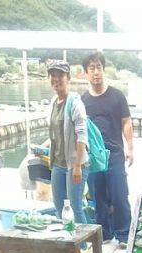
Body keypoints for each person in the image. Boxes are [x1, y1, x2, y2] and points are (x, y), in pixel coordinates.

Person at [82, 51, 133, 245]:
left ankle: (123, 234)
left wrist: (130, 148)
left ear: (103, 70)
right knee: (98, 196)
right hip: (93, 157)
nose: (96, 72)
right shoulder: (83, 101)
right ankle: (103, 234)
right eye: (92, 68)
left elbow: (126, 122)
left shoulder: (117, 96)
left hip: (115, 154)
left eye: (99, 67)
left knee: (119, 195)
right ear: (86, 73)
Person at [47, 61, 89, 225]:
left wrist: (78, 165)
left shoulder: (75, 103)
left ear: (68, 78)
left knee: (74, 207)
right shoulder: (52, 102)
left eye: (60, 75)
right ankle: (65, 243)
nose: (56, 79)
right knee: (58, 206)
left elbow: (81, 135)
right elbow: (57, 133)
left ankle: (84, 246)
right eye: (53, 75)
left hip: (75, 165)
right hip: (58, 163)